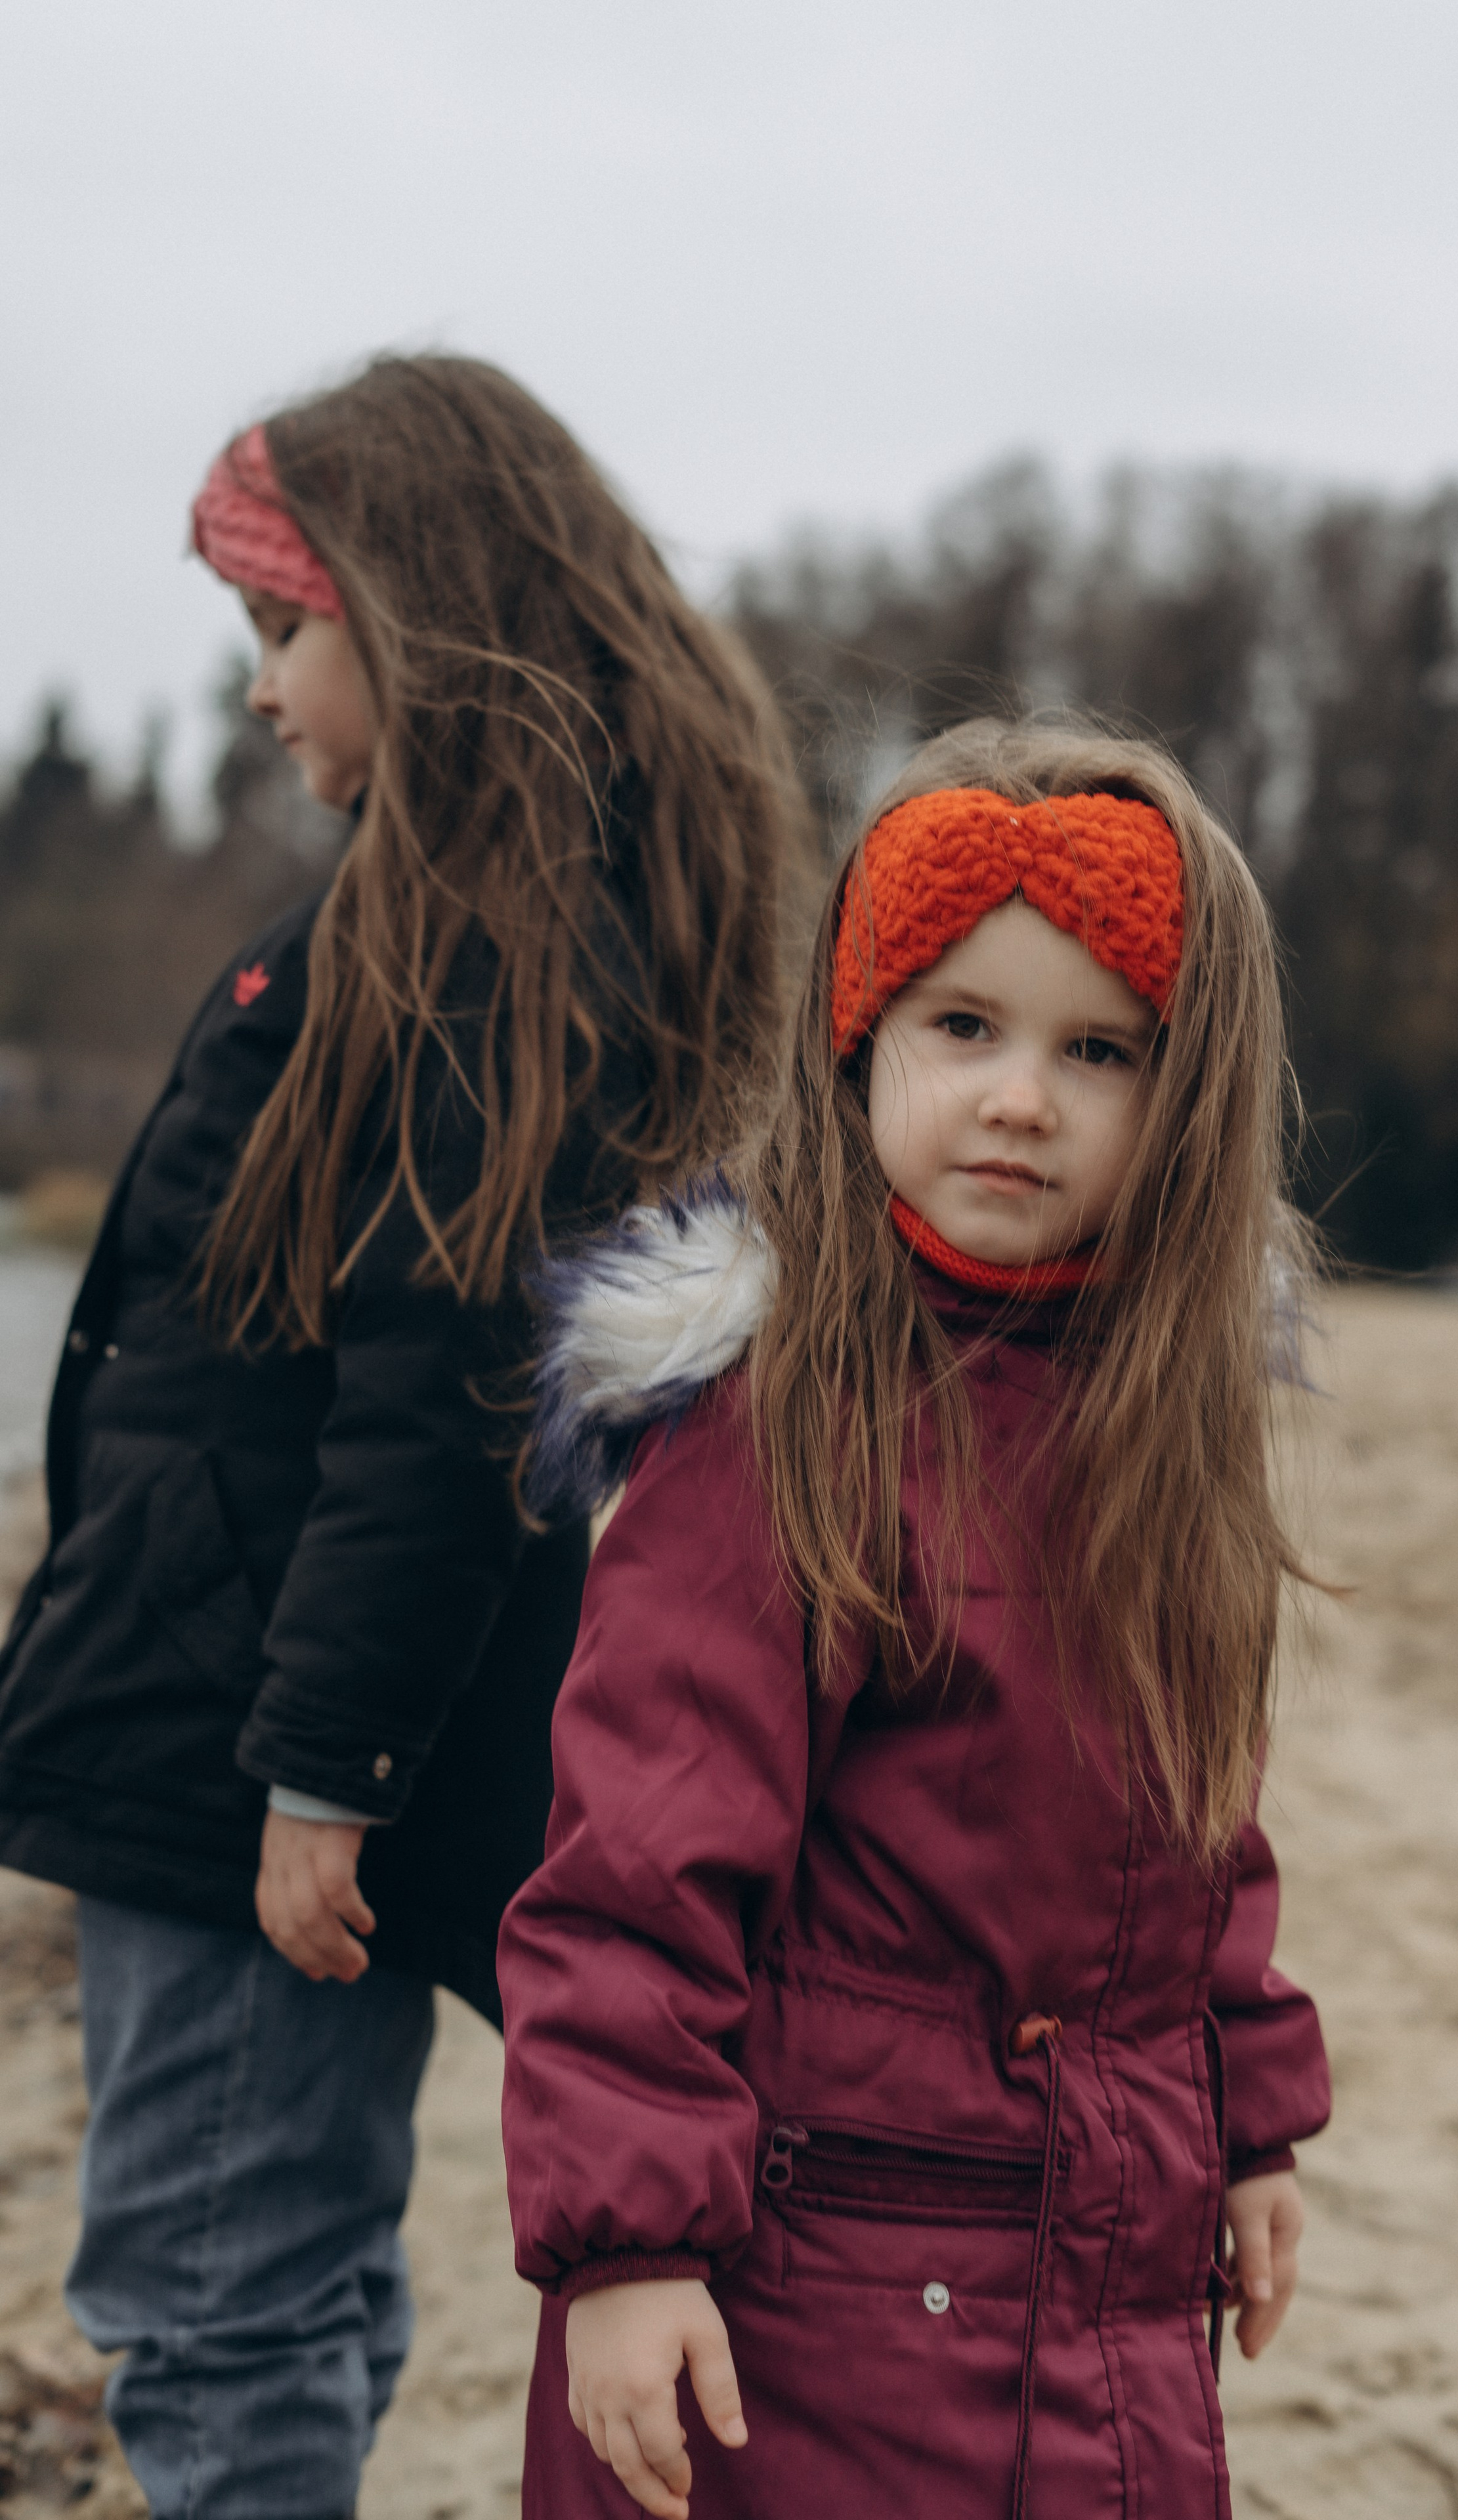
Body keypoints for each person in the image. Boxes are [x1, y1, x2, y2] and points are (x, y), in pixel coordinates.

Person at [0, 354, 808, 2520]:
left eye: (285, 627)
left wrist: (318, 1773)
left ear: (418, 608)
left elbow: (448, 1400)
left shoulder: (480, 946)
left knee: (215, 2287)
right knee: (282, 2270)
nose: (263, 692)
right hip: (241, 1709)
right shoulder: (449, 924)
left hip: (244, 1744)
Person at [498, 719, 1334, 2520]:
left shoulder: (1159, 1428)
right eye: (964, 1028)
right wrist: (628, 2250)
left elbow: (1197, 1820)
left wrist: (1248, 2112)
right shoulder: (780, 1417)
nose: (1020, 1098)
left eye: (1096, 1050)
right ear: (860, 1042)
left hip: (1101, 2260)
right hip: (825, 2286)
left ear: (1183, 1104)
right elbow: (636, 1873)